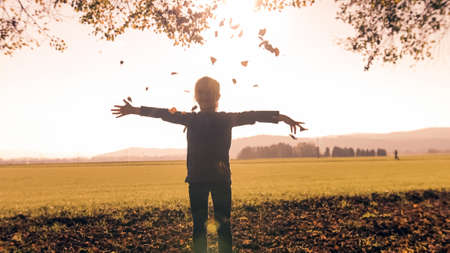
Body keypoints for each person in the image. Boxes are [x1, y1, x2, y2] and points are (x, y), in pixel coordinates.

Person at [111, 76, 307, 253]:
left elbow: (252, 115)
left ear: (217, 96)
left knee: (222, 227)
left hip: (218, 180)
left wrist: (281, 117)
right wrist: (135, 110)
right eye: (201, 94)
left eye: (209, 94)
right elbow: (163, 113)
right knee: (199, 227)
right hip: (198, 181)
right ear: (196, 97)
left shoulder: (222, 119)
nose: (205, 97)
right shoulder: (193, 118)